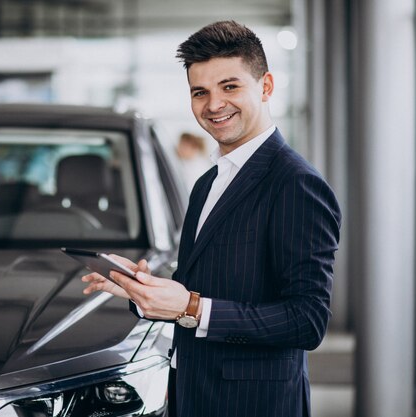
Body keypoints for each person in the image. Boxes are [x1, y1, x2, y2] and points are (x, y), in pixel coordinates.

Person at [82, 20, 341, 417]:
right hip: (194, 396)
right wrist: (147, 292)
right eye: (199, 92)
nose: (213, 105)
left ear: (266, 86)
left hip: (255, 405)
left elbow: (307, 320)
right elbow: (207, 288)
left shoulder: (295, 183)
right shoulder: (208, 182)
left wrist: (191, 307)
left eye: (230, 86)